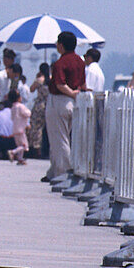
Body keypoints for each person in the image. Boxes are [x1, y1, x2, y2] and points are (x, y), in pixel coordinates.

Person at [44, 31, 85, 183]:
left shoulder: (60, 63)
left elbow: (60, 84)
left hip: (59, 101)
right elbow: (82, 83)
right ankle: (53, 171)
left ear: (61, 45)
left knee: (59, 139)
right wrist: (75, 94)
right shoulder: (80, 61)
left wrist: (71, 93)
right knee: (63, 137)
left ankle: (63, 173)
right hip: (72, 103)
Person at [27, 62, 49, 158]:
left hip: (39, 105)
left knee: (36, 127)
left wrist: (37, 77)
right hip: (48, 105)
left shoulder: (39, 80)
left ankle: (36, 147)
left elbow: (31, 89)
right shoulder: (51, 79)